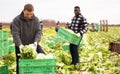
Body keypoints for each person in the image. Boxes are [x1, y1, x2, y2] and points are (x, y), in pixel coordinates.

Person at [10, 4, 45, 74]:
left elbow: (38, 32)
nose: (29, 16)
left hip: (33, 45)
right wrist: (20, 45)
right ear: (23, 11)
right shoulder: (16, 20)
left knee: (43, 56)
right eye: (27, 14)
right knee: (20, 63)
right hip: (21, 46)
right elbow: (15, 34)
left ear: (33, 12)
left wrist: (35, 42)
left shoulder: (36, 20)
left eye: (31, 14)